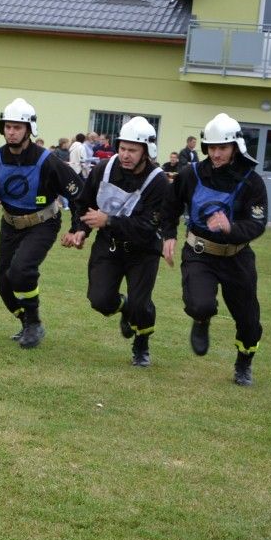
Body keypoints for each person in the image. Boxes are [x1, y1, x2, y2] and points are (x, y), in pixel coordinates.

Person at [162, 113, 268, 386]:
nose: (217, 154)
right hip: (199, 253)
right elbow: (170, 206)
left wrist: (230, 228)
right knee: (200, 304)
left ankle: (244, 363)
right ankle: (201, 319)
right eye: (211, 148)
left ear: (235, 146)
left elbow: (257, 224)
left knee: (248, 322)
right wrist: (169, 235)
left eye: (222, 148)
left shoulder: (251, 181)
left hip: (237, 257)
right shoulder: (190, 174)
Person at [0, 98, 84, 348]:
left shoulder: (48, 161)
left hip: (43, 223)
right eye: (8, 127)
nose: (11, 132)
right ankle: (27, 322)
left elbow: (78, 193)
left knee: (20, 271)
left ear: (30, 129)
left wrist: (77, 227)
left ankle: (33, 323)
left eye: (17, 127)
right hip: (10, 225)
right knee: (3, 284)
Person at [61, 117, 171, 367]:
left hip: (143, 251)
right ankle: (124, 307)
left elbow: (147, 227)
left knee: (142, 305)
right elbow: (84, 203)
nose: (125, 155)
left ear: (147, 151)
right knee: (99, 300)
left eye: (132, 150)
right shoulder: (103, 169)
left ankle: (141, 346)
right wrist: (80, 230)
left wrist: (109, 220)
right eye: (122, 148)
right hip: (108, 246)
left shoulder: (159, 182)